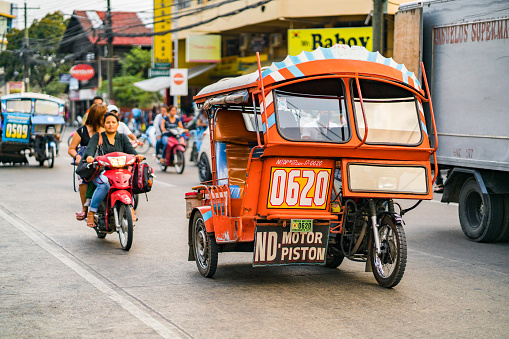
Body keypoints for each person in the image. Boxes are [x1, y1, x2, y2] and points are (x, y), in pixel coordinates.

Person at [85, 112, 144, 227]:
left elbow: (131, 151)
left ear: (118, 124)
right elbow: (90, 149)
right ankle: (91, 212)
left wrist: (137, 156)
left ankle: (130, 208)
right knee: (105, 185)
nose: (111, 125)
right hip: (103, 171)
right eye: (108, 122)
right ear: (104, 124)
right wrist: (89, 156)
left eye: (113, 122)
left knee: (130, 182)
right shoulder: (98, 136)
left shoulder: (122, 137)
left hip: (121, 171)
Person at [68, 104, 106, 220]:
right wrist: (77, 157)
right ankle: (84, 208)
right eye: (104, 115)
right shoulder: (82, 130)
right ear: (97, 116)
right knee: (83, 180)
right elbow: (71, 149)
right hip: (87, 163)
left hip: (104, 162)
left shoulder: (106, 129)